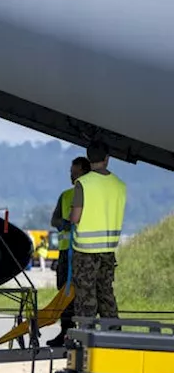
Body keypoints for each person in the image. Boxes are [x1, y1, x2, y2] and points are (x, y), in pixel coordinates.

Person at [69, 141, 127, 330]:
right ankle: (114, 338)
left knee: (86, 298)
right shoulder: (120, 185)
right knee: (106, 294)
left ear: (88, 159)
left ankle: (86, 339)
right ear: (107, 159)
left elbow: (76, 217)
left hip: (85, 252)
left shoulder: (83, 183)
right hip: (108, 252)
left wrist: (70, 217)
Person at [47, 156, 91, 346]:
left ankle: (81, 332)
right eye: (71, 173)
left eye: (76, 173)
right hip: (66, 253)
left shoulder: (91, 195)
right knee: (63, 293)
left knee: (82, 294)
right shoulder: (65, 195)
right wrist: (61, 223)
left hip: (83, 251)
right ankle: (64, 332)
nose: (72, 176)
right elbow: (54, 219)